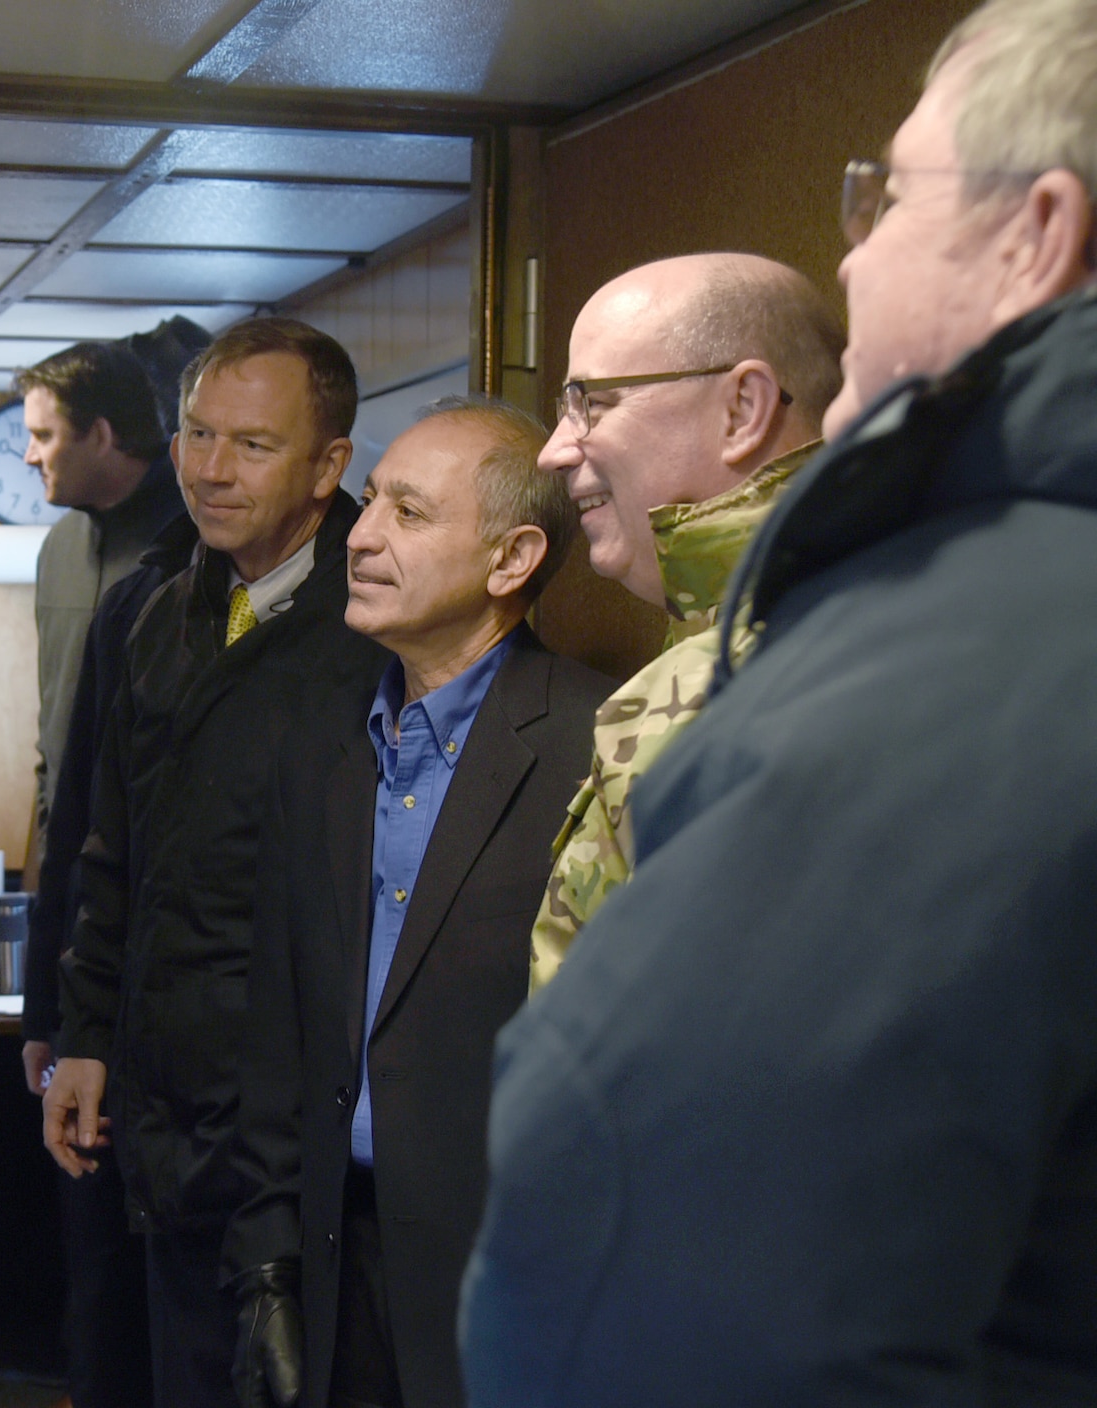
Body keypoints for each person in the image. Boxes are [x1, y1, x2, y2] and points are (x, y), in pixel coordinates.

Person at [463, 1, 1097, 1402]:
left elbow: (667, 1278)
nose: (851, 253)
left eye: (886, 197)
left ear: (1035, 232)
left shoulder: (945, 653)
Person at [223, 398, 613, 1408]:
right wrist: (265, 1267)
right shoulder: (324, 747)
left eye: (406, 511)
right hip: (329, 1255)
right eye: (368, 505)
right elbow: (277, 1025)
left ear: (510, 557)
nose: (359, 533)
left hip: (509, 1271)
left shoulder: (594, 747)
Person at [44, 318, 389, 1408]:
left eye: (250, 444)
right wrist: (81, 1035)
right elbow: (113, 850)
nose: (208, 468)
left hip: (295, 1128)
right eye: (195, 433)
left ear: (328, 464)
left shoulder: (378, 622)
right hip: (158, 1113)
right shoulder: (157, 613)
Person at [529, 254, 843, 986]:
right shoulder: (873, 599)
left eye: (592, 403)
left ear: (742, 410)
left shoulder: (727, 688)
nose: (553, 449)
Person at [17, 340, 187, 1408]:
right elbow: (61, 777)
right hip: (76, 895)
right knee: (85, 1240)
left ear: (102, 435)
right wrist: (45, 994)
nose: (34, 455)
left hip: (165, 920)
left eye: (43, 433)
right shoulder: (55, 555)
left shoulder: (188, 550)